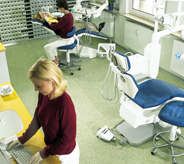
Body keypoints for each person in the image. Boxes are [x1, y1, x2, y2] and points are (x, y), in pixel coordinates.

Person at [6, 58, 80, 164]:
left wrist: (45, 152)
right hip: (51, 148)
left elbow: (67, 140)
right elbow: (38, 118)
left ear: (52, 82)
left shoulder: (65, 104)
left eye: (38, 86)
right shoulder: (44, 94)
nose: (35, 89)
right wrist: (22, 139)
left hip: (65, 154)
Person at [43, 0, 74, 65]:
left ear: (62, 8)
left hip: (66, 39)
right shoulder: (69, 14)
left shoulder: (66, 18)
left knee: (46, 47)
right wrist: (52, 17)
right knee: (50, 41)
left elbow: (54, 27)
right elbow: (61, 19)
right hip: (66, 37)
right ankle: (57, 59)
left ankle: (54, 63)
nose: (58, 9)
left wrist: (47, 19)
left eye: (58, 8)